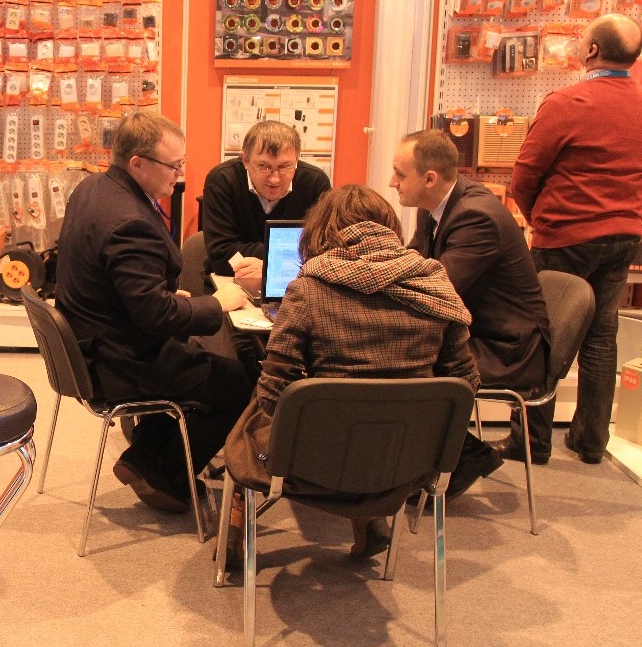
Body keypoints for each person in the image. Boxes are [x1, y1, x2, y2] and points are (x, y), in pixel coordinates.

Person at [223, 185, 480, 563]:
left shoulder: (308, 288)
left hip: (316, 462)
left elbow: (274, 393)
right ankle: (371, 516)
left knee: (253, 412)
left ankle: (234, 526)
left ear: (322, 231)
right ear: (389, 228)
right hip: (408, 461)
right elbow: (465, 384)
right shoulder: (436, 284)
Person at [56, 110, 252, 513]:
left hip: (94, 344)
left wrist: (162, 293)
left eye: (182, 163)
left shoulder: (93, 188)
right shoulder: (130, 221)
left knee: (201, 362)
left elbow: (118, 284)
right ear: (137, 163)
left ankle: (143, 459)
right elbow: (156, 318)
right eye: (173, 165)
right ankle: (166, 474)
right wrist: (217, 303)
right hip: (121, 361)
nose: (180, 174)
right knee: (243, 382)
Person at [510, 13, 642, 465]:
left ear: (592, 50)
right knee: (601, 336)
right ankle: (590, 442)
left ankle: (532, 443)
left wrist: (538, 219)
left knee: (543, 336)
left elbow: (524, 175)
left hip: (565, 235)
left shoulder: (567, 102)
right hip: (624, 235)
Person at [393, 129, 551, 485]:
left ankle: (461, 460)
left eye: (400, 174)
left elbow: (436, 291)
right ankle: (431, 461)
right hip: (475, 333)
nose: (393, 182)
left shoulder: (475, 216)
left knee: (403, 365)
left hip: (507, 349)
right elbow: (412, 267)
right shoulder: (433, 208)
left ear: (429, 179)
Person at [202, 120, 331, 296]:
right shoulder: (222, 180)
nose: (275, 179)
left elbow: (324, 251)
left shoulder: (315, 183)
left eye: (285, 166)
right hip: (230, 283)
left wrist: (270, 267)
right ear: (245, 160)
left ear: (297, 160)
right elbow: (221, 254)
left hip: (296, 285)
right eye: (264, 166)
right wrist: (286, 258)